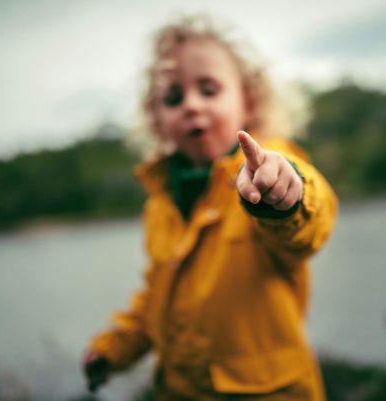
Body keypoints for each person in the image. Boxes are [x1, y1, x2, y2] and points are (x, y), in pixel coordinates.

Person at [82, 15, 338, 401]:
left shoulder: (270, 163)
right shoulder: (161, 204)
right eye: (173, 98)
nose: (191, 106)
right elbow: (157, 296)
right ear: (157, 120)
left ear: (248, 101)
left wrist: (287, 196)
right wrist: (116, 347)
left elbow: (310, 225)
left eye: (209, 89)